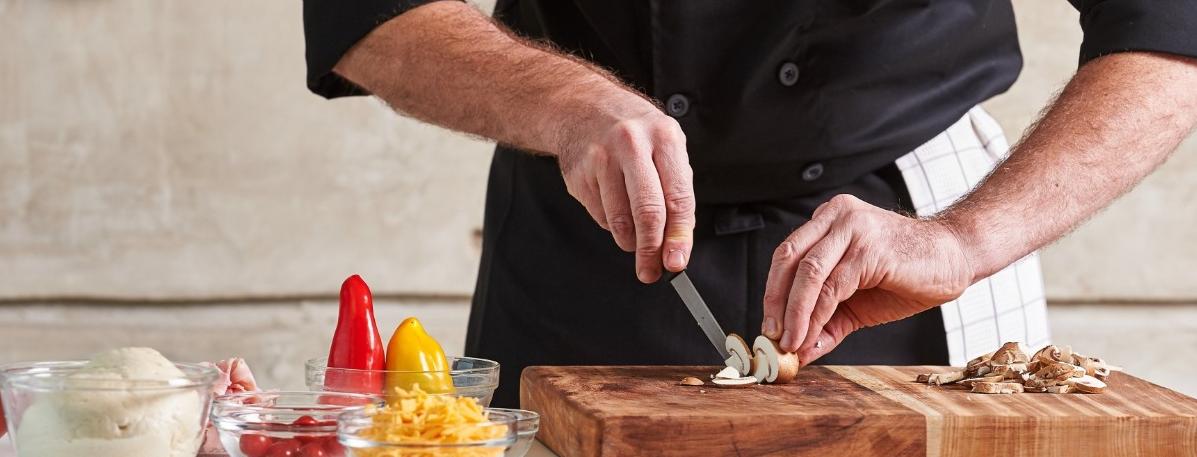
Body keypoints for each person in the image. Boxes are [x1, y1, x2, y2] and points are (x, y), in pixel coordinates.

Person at [301, 1, 1197, 407]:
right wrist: (562, 100)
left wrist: (964, 238)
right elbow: (365, 13)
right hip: (592, 230)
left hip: (912, 236)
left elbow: (1170, 30)